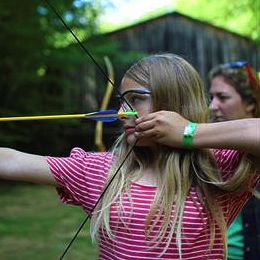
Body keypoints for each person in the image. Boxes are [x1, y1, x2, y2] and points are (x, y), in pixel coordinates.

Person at [0, 53, 259, 260]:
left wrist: (188, 132)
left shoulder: (216, 168)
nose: (124, 112)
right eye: (122, 101)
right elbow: (9, 161)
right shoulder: (98, 170)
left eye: (136, 99)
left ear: (174, 102)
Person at [208, 61, 260, 260]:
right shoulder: (206, 149)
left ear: (250, 103)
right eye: (211, 97)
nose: (212, 106)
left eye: (222, 97)